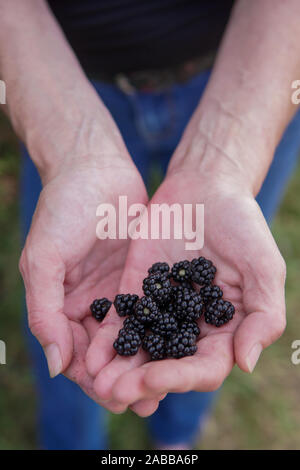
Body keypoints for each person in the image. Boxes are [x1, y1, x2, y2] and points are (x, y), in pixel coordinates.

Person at [1, 0, 300, 450]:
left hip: (254, 78)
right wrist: (72, 153)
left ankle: (176, 439)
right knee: (69, 318)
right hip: (62, 82)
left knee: (216, 340)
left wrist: (224, 163)